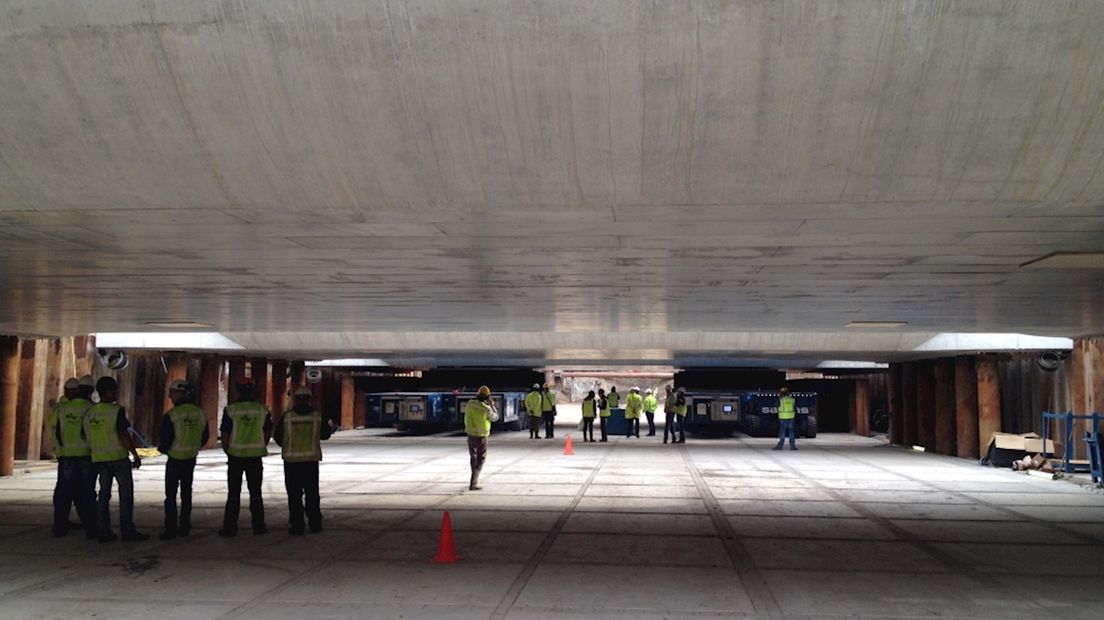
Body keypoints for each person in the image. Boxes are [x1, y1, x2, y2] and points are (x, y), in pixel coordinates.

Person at [85, 376, 147, 542]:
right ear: (106, 393)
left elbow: (85, 435)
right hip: (118, 459)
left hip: (99, 460)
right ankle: (127, 530)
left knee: (103, 496)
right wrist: (135, 454)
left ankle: (103, 531)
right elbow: (124, 435)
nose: (116, 393)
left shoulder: (90, 412)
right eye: (113, 391)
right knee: (126, 495)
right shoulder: (116, 411)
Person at [274, 387, 334, 535]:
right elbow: (326, 435)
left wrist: (289, 445)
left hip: (292, 462)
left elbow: (278, 437)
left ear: (296, 399)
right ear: (309, 399)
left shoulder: (287, 417)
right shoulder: (317, 416)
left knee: (294, 495)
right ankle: (315, 524)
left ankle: (297, 525)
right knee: (312, 493)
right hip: (310, 461)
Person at [219, 377, 272, 536]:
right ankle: (259, 526)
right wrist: (262, 444)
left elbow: (225, 433)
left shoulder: (231, 410)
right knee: (256, 493)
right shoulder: (262, 409)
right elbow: (268, 431)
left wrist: (227, 450)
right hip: (255, 456)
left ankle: (230, 527)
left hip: (235, 456)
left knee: (233, 493)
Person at [157, 379, 209, 539]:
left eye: (172, 393)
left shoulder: (172, 415)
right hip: (190, 458)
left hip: (175, 458)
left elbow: (166, 438)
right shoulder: (199, 412)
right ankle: (184, 526)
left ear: (181, 393)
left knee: (170, 495)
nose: (170, 396)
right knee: (186, 493)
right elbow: (205, 435)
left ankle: (170, 528)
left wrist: (163, 449)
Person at [50, 377, 97, 539]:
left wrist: (60, 453)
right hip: (86, 456)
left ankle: (59, 526)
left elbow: (56, 432)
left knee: (64, 492)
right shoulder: (92, 409)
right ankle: (91, 528)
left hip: (67, 456)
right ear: (91, 390)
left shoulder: (62, 409)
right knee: (87, 492)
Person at [464, 386, 497, 490]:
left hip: (470, 435)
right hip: (481, 436)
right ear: (487, 397)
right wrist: (492, 406)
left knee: (473, 458)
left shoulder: (470, 404)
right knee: (481, 459)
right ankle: (473, 483)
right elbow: (495, 418)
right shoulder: (486, 409)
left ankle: (473, 479)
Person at [774, 387, 798, 451]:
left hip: (782, 417)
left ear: (781, 393)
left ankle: (780, 446)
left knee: (782, 432)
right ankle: (792, 446)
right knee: (791, 432)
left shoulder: (780, 400)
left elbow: (776, 407)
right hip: (791, 417)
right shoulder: (792, 399)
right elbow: (795, 408)